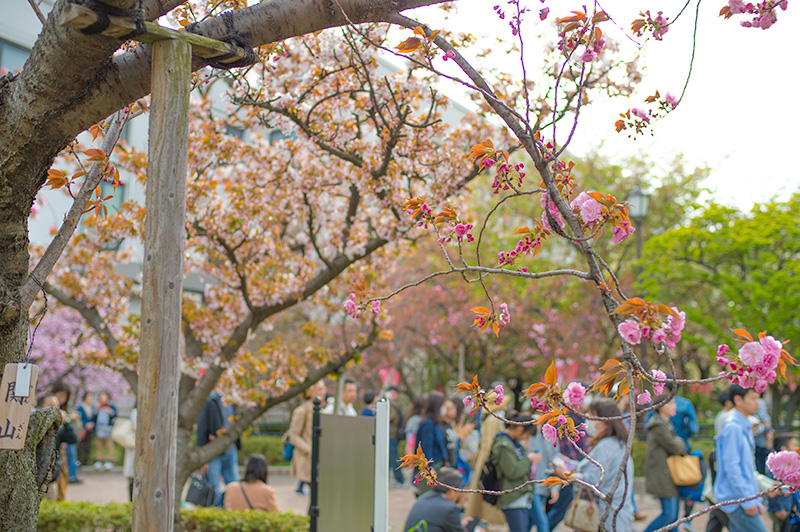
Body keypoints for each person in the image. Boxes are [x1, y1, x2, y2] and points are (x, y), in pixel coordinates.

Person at [557, 400, 634, 531]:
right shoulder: (617, 444)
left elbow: (593, 481)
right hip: (617, 513)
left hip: (607, 515)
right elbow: (593, 468)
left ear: (604, 422)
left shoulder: (606, 446)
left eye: (592, 417)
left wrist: (567, 475)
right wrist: (570, 464)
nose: (589, 421)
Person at [713, 384, 768, 532]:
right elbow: (732, 468)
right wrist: (747, 501)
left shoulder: (744, 426)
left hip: (741, 498)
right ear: (738, 400)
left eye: (758, 398)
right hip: (737, 500)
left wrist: (755, 499)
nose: (758, 402)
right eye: (753, 398)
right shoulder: (733, 428)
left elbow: (748, 469)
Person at [644, 394, 689, 532]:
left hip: (667, 473)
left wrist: (679, 443)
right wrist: (681, 441)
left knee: (673, 517)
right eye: (671, 404)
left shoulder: (665, 424)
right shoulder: (658, 425)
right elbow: (676, 447)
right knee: (669, 514)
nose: (674, 406)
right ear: (661, 406)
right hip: (661, 475)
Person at [404, 467, 484, 532]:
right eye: (459, 490)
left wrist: (459, 523)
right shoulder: (450, 508)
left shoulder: (424, 497)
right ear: (452, 489)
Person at [492, 412, 535, 532]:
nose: (527, 438)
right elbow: (513, 471)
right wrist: (528, 459)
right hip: (511, 497)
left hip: (519, 496)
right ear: (520, 428)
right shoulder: (504, 445)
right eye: (527, 434)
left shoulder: (513, 443)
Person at [197, 390, 240, 506]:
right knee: (213, 489)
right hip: (214, 452)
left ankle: (232, 510)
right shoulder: (211, 400)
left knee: (235, 486)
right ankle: (216, 513)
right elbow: (202, 428)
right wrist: (203, 456)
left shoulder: (233, 399)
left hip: (230, 449)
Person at [287, 380, 326, 495]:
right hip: (308, 459)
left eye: (323, 388)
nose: (323, 392)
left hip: (319, 458)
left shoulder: (321, 410)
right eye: (319, 389)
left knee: (317, 496)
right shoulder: (302, 411)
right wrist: (310, 450)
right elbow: (293, 436)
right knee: (316, 494)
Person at [52, 381, 82, 486]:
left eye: (65, 396)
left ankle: (73, 476)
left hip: (62, 448)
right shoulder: (50, 408)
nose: (62, 399)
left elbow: (73, 438)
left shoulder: (64, 410)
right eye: (60, 395)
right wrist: (68, 418)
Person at [767, 434, 797, 532]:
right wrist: (778, 508)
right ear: (784, 449)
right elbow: (773, 487)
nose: (797, 449)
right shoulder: (777, 467)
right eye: (794, 446)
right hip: (780, 509)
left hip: (787, 506)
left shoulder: (790, 466)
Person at [387, 387, 406, 487]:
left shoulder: (392, 406)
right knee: (391, 458)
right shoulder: (396, 405)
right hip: (393, 435)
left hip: (391, 435)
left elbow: (389, 418)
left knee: (394, 458)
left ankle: (400, 480)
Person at [93, 390, 117, 470]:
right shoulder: (97, 406)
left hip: (108, 428)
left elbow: (115, 415)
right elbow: (94, 417)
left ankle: (109, 461)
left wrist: (109, 410)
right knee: (99, 445)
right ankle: (99, 460)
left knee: (109, 445)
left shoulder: (111, 406)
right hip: (99, 428)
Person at [753, 394, 773, 475]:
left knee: (760, 468)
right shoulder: (761, 402)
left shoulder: (759, 402)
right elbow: (766, 421)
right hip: (759, 442)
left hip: (759, 442)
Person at [76, 392, 96, 469]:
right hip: (83, 428)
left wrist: (92, 424)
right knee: (80, 444)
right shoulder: (80, 407)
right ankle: (79, 460)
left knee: (88, 444)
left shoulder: (92, 407)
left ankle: (85, 460)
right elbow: (79, 418)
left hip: (90, 429)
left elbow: (94, 418)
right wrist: (86, 424)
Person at [123, 407, 137, 502]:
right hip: (135, 445)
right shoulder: (135, 412)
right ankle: (132, 502)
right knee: (132, 477)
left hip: (135, 446)